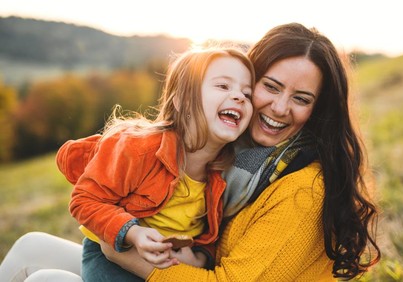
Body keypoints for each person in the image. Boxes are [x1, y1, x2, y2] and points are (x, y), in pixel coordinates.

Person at [0, 22, 380, 281]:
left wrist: (122, 247)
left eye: (301, 98)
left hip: (159, 268)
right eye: (270, 87)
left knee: (47, 279)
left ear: (319, 110)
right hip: (164, 264)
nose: (280, 108)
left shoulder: (301, 187)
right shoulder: (235, 159)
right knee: (31, 245)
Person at [0, 47, 255, 282]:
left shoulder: (224, 175)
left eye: (247, 93)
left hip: (162, 270)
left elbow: (209, 237)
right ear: (181, 101)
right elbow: (84, 200)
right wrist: (133, 233)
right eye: (223, 86)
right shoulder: (139, 148)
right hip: (113, 253)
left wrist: (199, 258)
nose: (239, 97)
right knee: (30, 247)